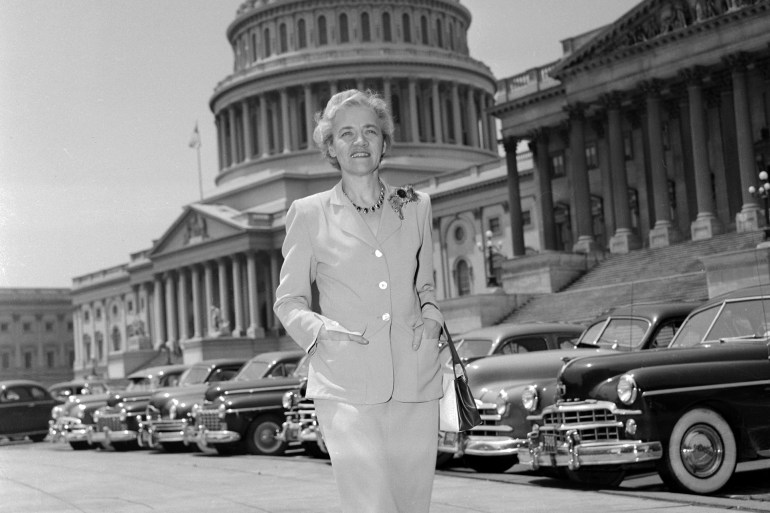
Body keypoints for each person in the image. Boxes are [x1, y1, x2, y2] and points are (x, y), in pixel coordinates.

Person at [273, 89, 444, 513]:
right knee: (371, 505)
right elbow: (288, 301)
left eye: (370, 130)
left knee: (411, 504)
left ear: (385, 141)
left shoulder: (417, 206)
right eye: (346, 134)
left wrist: (433, 318)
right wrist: (323, 333)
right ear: (331, 147)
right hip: (346, 381)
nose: (360, 141)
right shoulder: (309, 213)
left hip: (414, 378)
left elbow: (426, 286)